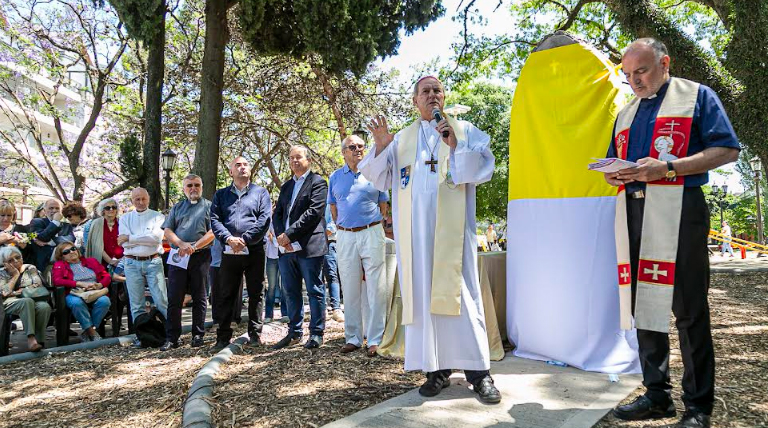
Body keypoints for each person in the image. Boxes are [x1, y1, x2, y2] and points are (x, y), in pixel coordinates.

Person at [604, 39, 740, 428]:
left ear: (665, 63)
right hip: (634, 209)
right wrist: (615, 172)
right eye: (628, 75)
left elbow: (727, 150)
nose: (634, 82)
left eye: (641, 71)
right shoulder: (626, 112)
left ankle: (698, 406)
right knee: (644, 306)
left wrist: (667, 169)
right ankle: (656, 394)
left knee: (689, 309)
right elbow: (614, 156)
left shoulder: (697, 96)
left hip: (681, 210)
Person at [359, 75, 501, 404]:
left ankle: (479, 373)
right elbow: (377, 176)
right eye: (425, 91)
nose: (432, 95)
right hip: (417, 239)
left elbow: (484, 168)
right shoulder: (401, 139)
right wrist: (380, 146)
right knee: (424, 298)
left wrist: (455, 145)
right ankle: (436, 370)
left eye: (437, 90)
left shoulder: (463, 130)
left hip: (453, 236)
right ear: (415, 101)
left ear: (444, 96)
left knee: (463, 297)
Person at [329, 134, 389, 356]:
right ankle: (353, 337)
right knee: (350, 286)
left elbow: (383, 204)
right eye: (352, 147)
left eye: (361, 146)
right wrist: (344, 227)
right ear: (343, 152)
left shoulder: (374, 173)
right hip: (345, 236)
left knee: (376, 287)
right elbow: (333, 207)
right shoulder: (334, 177)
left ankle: (375, 339)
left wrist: (373, 223)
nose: (358, 150)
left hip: (372, 232)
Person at [210, 157, 271, 352]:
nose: (242, 167)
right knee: (226, 294)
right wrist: (228, 239)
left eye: (245, 165)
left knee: (256, 292)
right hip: (229, 251)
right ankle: (223, 337)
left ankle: (255, 334)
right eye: (238, 165)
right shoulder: (221, 195)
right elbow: (215, 219)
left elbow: (264, 219)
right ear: (230, 172)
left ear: (250, 170)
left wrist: (245, 239)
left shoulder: (260, 193)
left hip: (253, 250)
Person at [271, 145, 328, 350]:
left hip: (309, 246)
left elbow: (313, 213)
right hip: (286, 249)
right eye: (291, 158)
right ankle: (294, 332)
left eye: (298, 157)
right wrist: (280, 236)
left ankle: (316, 333)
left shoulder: (318, 182)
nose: (294, 161)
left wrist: (289, 234)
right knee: (290, 291)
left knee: (314, 290)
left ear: (308, 160)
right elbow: (278, 214)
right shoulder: (286, 186)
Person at [161, 174, 215, 350]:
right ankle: (172, 338)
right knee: (174, 297)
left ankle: (198, 335)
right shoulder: (177, 207)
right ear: (184, 188)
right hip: (179, 256)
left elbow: (213, 232)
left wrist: (194, 246)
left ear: (201, 187)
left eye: (197, 185)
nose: (193, 188)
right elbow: (168, 230)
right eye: (189, 185)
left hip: (201, 255)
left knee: (200, 297)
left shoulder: (208, 206)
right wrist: (181, 244)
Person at [119, 187, 169, 348]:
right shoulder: (125, 218)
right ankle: (142, 336)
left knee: (161, 299)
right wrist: (140, 239)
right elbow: (123, 242)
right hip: (131, 263)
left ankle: (170, 334)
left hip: (153, 261)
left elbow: (155, 239)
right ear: (132, 200)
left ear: (148, 199)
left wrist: (131, 238)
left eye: (143, 199)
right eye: (137, 199)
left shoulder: (157, 216)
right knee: (136, 302)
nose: (140, 202)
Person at [51, 242, 111, 342]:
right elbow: (57, 281)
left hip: (94, 291)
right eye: (66, 252)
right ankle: (92, 333)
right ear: (61, 256)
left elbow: (107, 276)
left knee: (104, 301)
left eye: (73, 249)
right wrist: (78, 283)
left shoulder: (91, 261)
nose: (72, 252)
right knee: (76, 303)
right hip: (74, 293)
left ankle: (88, 331)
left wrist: (99, 285)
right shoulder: (59, 265)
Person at [0, 246, 51, 351]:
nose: (15, 261)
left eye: (17, 257)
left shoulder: (30, 269)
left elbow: (38, 285)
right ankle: (31, 338)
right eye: (10, 260)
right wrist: (15, 276)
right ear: (4, 263)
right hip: (6, 303)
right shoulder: (2, 273)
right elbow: (4, 293)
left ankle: (40, 341)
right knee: (26, 301)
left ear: (22, 258)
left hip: (31, 300)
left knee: (44, 306)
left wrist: (15, 292)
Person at [29, 199, 75, 273]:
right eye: (51, 208)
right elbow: (43, 237)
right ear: (44, 210)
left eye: (57, 208)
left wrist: (52, 241)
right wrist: (55, 222)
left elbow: (71, 239)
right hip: (44, 265)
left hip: (65, 265)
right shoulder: (37, 222)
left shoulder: (66, 225)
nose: (54, 211)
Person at [264, 206, 288, 323]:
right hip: (271, 257)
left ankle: (285, 313)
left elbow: (279, 239)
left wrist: (275, 240)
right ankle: (268, 314)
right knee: (272, 286)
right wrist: (276, 240)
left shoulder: (285, 222)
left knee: (285, 286)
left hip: (283, 255)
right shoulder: (268, 222)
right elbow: (268, 237)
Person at [323, 204, 344, 323]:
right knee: (316, 277)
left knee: (331, 275)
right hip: (313, 244)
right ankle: (322, 309)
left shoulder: (329, 204)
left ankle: (336, 308)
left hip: (329, 242)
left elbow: (332, 226)